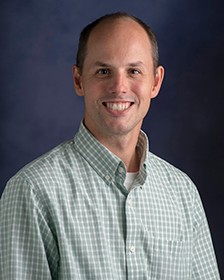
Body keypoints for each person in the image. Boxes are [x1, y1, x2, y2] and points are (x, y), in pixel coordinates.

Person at [0, 12, 220, 279]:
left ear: (156, 82)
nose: (119, 87)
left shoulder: (183, 192)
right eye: (103, 71)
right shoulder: (33, 191)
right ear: (79, 80)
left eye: (134, 71)